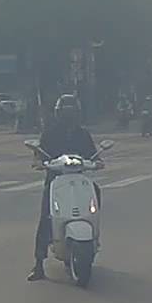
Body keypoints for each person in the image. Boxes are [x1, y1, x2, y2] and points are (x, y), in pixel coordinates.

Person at [28, 94, 100, 281]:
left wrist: (97, 161)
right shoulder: (50, 133)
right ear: (59, 114)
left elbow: (93, 154)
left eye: (72, 112)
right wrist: (39, 162)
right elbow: (39, 154)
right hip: (56, 180)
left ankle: (94, 236)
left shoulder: (83, 134)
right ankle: (39, 263)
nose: (69, 116)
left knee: (96, 191)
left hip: (79, 179)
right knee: (46, 216)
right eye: (66, 113)